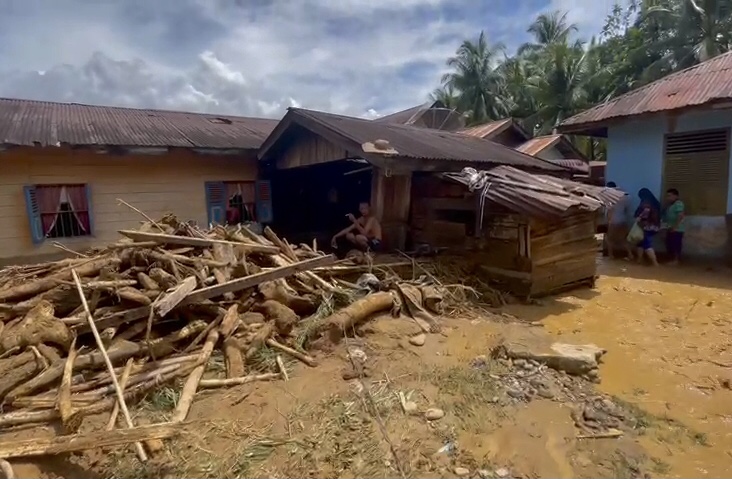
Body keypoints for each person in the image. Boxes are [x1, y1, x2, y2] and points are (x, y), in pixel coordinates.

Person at [604, 181, 633, 259]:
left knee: (609, 240)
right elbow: (627, 210)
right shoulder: (624, 197)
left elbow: (610, 210)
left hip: (613, 222)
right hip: (623, 220)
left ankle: (611, 255)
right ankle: (630, 254)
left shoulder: (610, 198)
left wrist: (609, 222)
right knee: (624, 240)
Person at [633, 188, 661, 266]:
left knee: (646, 244)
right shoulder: (655, 203)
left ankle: (655, 263)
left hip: (646, 227)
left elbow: (643, 216)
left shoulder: (646, 204)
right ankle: (639, 260)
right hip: (655, 227)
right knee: (641, 243)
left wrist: (638, 218)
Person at [662, 188, 685, 265]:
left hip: (677, 229)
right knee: (670, 244)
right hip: (670, 227)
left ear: (676, 196)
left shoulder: (678, 204)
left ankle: (676, 260)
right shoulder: (671, 205)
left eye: (670, 196)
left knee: (676, 244)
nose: (668, 198)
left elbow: (680, 215)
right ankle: (672, 259)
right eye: (667, 196)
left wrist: (675, 227)